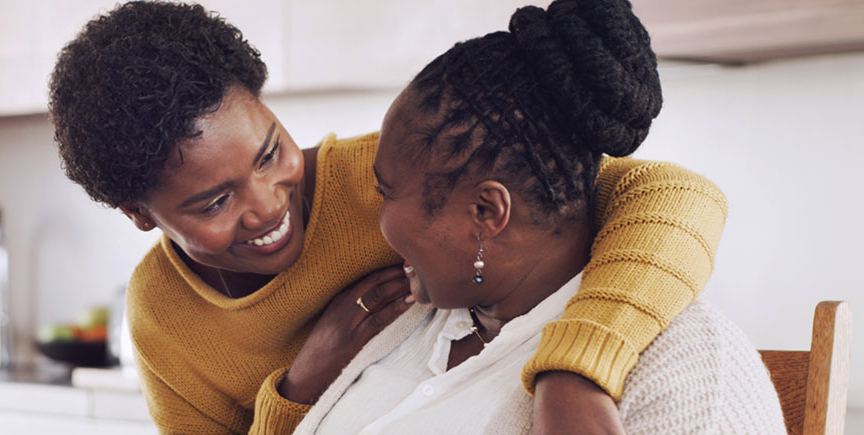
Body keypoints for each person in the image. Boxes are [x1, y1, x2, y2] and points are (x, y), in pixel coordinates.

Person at [48, 1, 728, 433]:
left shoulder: (401, 174)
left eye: (269, 151)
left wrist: (577, 368)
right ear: (139, 214)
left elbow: (665, 197)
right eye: (214, 202)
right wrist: (296, 389)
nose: (266, 204)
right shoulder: (163, 313)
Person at [291, 0, 785, 433]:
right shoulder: (414, 318)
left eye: (387, 192)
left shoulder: (688, 374)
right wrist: (298, 391)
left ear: (487, 211)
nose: (376, 218)